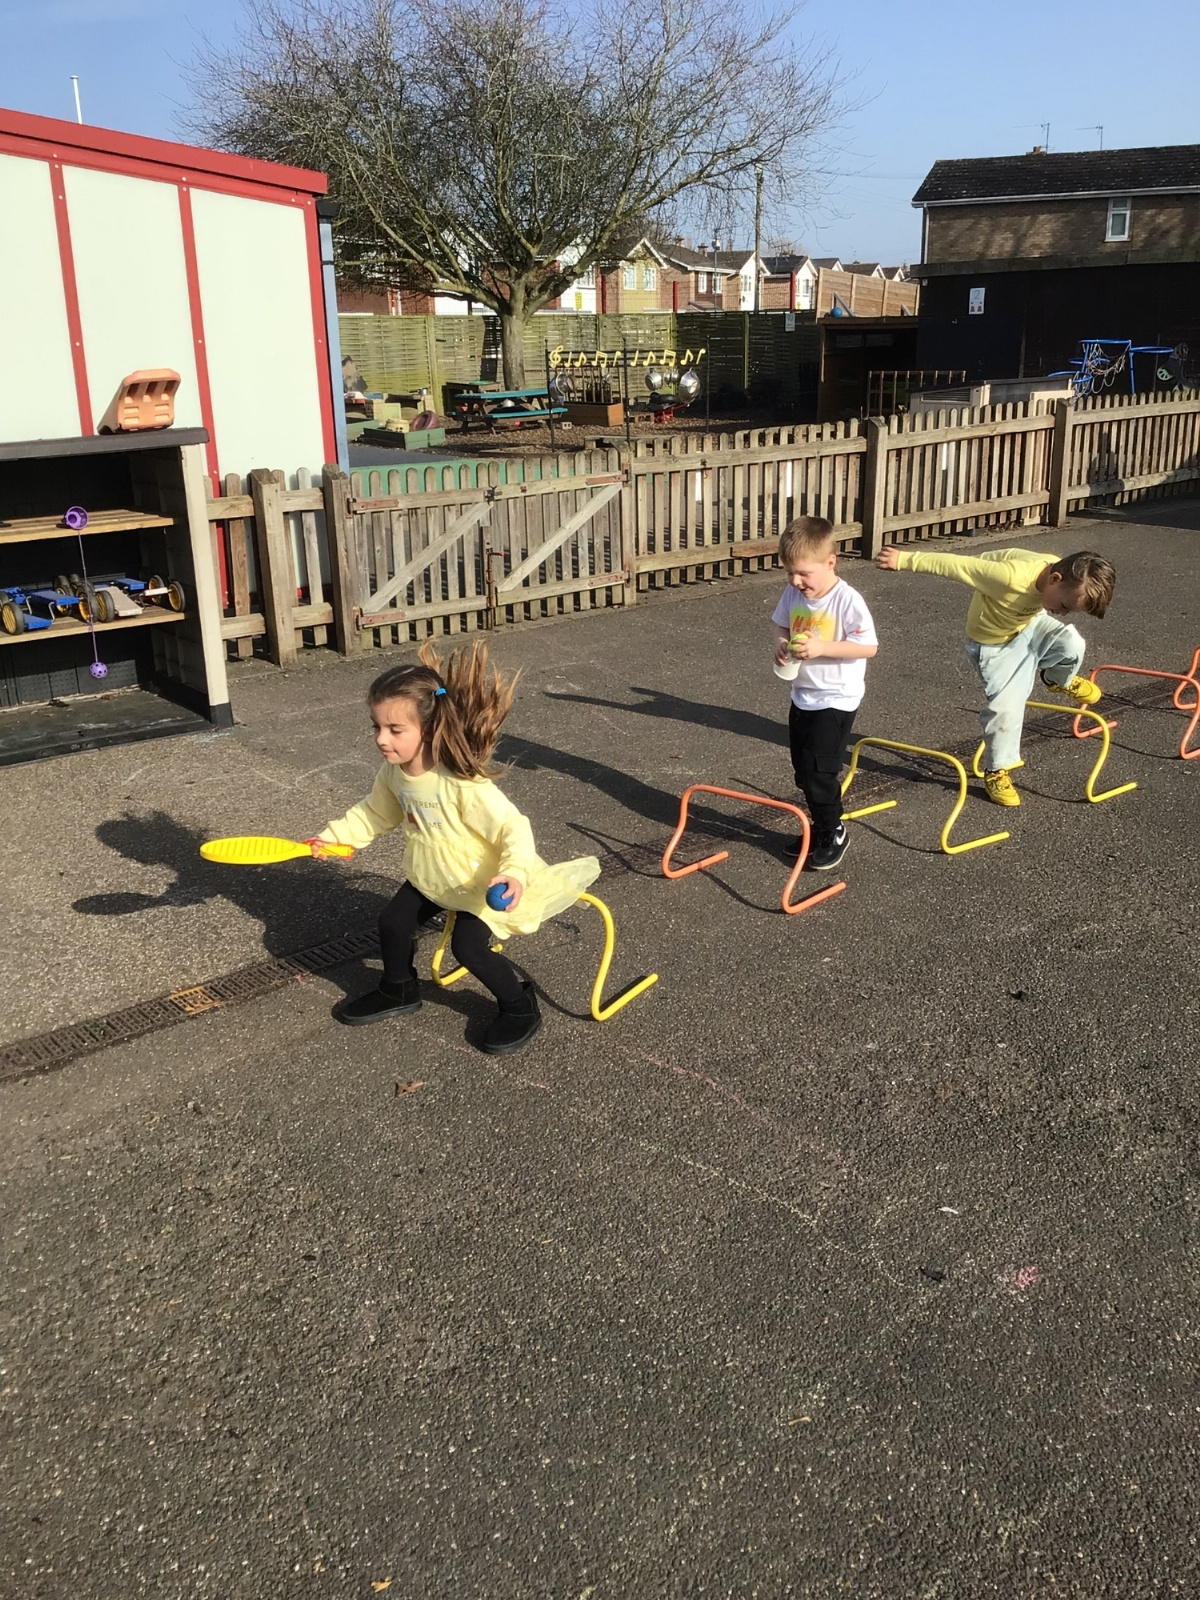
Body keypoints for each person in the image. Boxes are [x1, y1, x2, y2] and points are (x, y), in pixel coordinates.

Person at [310, 643, 599, 1055]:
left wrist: (514, 872)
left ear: (428, 729)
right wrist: (335, 837)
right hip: (433, 875)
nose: (381, 739)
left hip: (482, 881)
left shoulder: (461, 782)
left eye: (394, 729)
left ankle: (519, 1005)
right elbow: (373, 813)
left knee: (468, 947)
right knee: (393, 922)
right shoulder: (393, 774)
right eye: (376, 727)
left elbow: (512, 827)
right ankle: (398, 989)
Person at [873, 544, 1114, 806]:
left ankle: (1057, 679)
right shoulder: (1009, 578)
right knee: (1006, 709)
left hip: (1028, 625)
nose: (1064, 613)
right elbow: (955, 566)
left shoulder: (1055, 564)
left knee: (1072, 643)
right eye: (1064, 605)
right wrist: (904, 559)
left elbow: (1003, 555)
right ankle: (997, 770)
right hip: (994, 646)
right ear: (1055, 579)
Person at [772, 516, 879, 870]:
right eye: (790, 573)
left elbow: (868, 647)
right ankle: (818, 828)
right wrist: (780, 643)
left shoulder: (847, 600)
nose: (795, 581)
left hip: (836, 698)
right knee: (803, 771)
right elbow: (780, 623)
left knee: (820, 772)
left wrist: (823, 648)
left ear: (830, 562)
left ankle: (834, 830)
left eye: (804, 573)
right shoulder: (793, 593)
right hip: (802, 694)